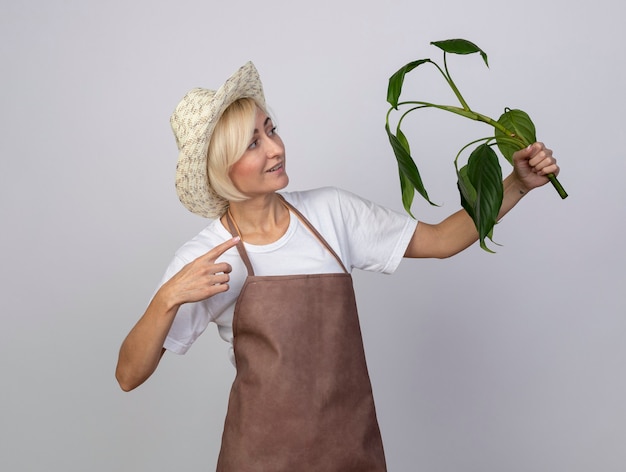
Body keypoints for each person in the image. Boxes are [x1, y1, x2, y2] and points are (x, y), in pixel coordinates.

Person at [115, 61, 559, 471]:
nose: (275, 149)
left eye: (271, 130)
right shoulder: (210, 256)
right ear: (221, 168)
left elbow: (440, 240)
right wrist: (168, 297)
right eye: (253, 143)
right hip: (258, 459)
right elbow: (128, 375)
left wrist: (516, 184)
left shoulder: (332, 213)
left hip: (349, 452)